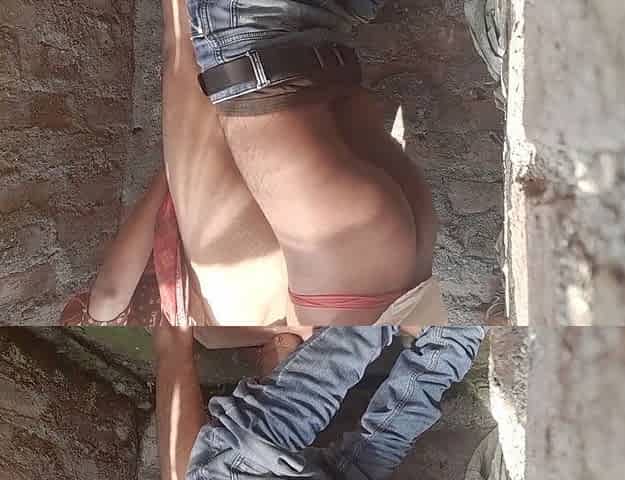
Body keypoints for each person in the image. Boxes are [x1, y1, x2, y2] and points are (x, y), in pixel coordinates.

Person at [61, 0, 447, 330]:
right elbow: (180, 53)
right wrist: (171, 176)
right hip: (337, 262)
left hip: (400, 269)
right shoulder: (192, 303)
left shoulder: (233, 319)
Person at [154, 325, 485, 480]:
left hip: (245, 467)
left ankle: (377, 302)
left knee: (358, 330)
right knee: (446, 343)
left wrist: (173, 346)